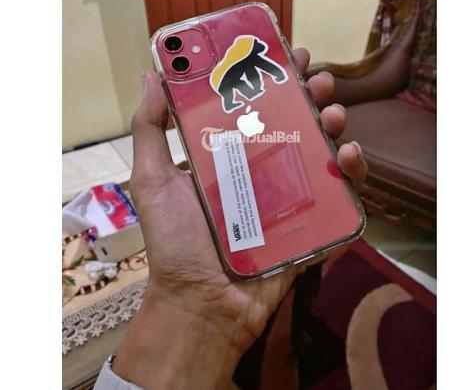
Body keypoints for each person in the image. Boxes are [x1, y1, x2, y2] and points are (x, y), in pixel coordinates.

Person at [95, 49, 368, 389]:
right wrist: (190, 301)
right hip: (231, 275)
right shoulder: (246, 64)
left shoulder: (248, 62)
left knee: (300, 136)